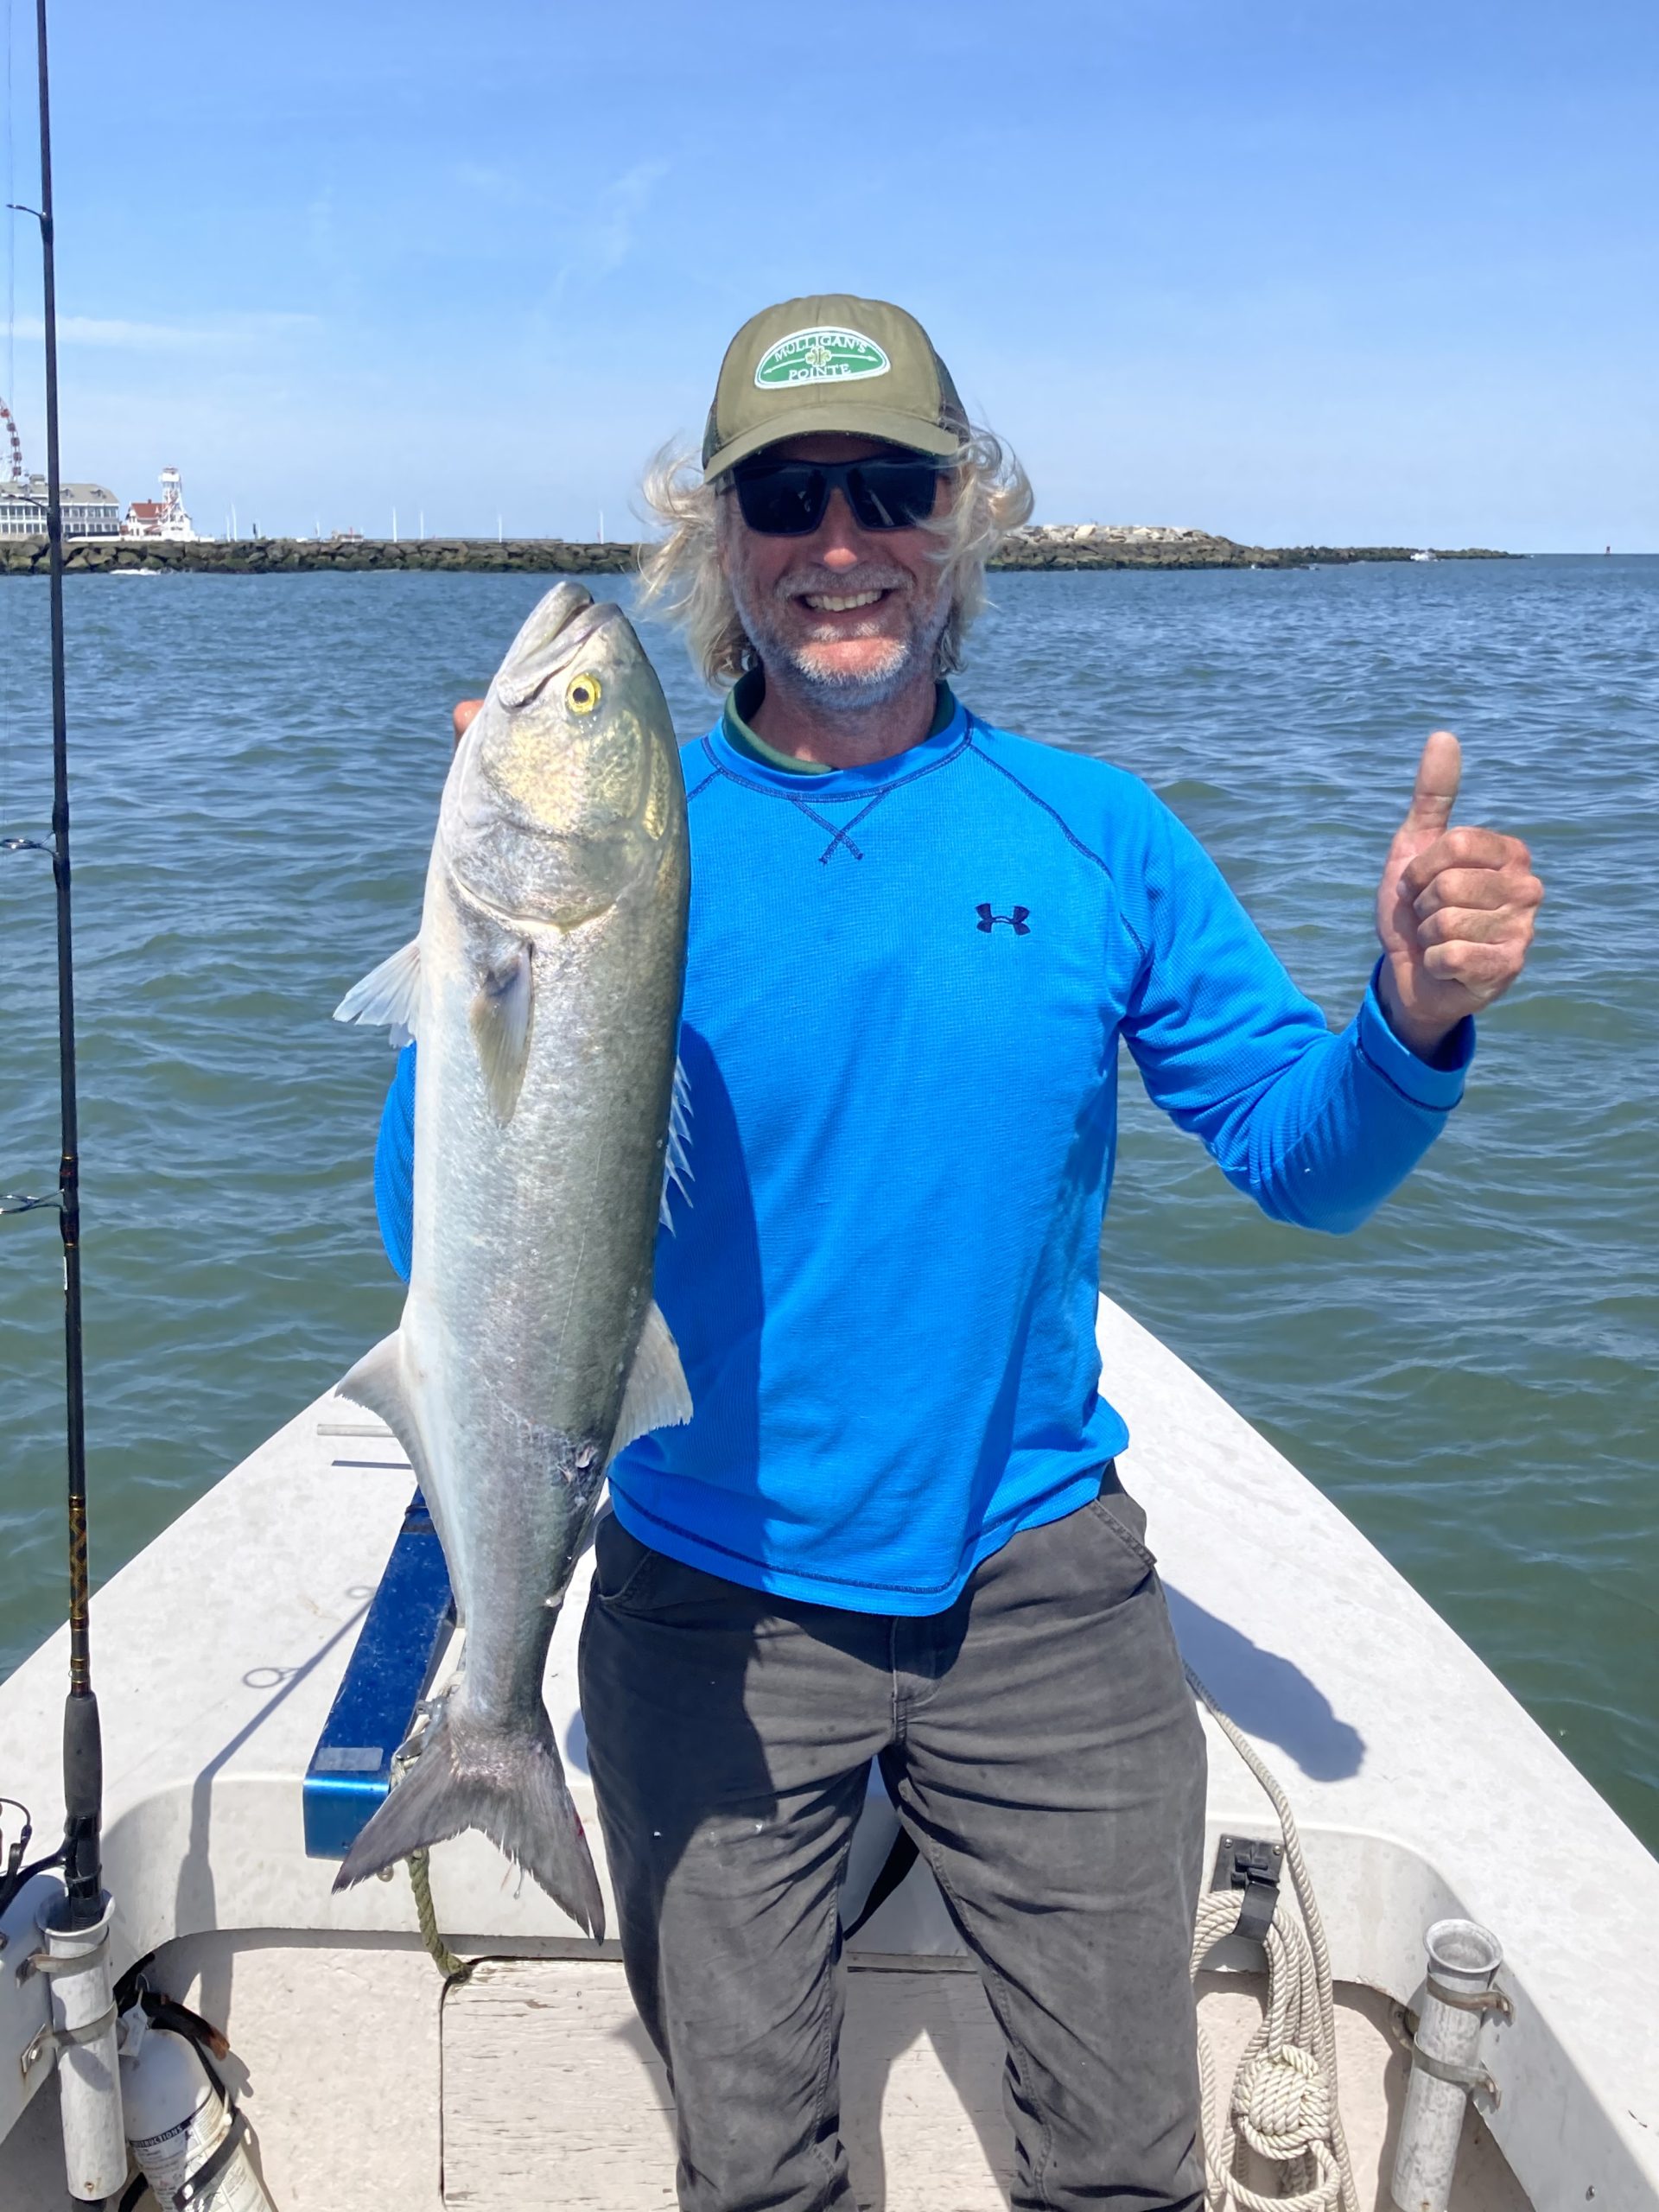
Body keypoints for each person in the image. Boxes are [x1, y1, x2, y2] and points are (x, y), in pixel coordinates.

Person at [372, 295, 1542, 2212]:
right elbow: (438, 1242)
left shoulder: (1096, 835)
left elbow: (1301, 1160)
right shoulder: (649, 836)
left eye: (891, 485)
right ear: (718, 540)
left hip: (1041, 1587)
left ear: (964, 514)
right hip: (702, 1588)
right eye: (787, 496)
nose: (840, 543)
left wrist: (1407, 1018)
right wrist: (471, 976)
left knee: (1126, 2170)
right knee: (752, 2176)